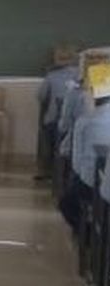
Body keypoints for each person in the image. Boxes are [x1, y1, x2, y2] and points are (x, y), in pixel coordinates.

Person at [60, 89, 110, 233]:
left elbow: (76, 165)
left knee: (67, 203)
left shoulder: (85, 121)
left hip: (92, 183)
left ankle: (87, 234)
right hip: (100, 185)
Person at [36, 45, 80, 180]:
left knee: (46, 130)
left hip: (54, 120)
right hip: (76, 121)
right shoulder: (81, 75)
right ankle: (68, 173)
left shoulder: (51, 76)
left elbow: (40, 96)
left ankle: (47, 170)